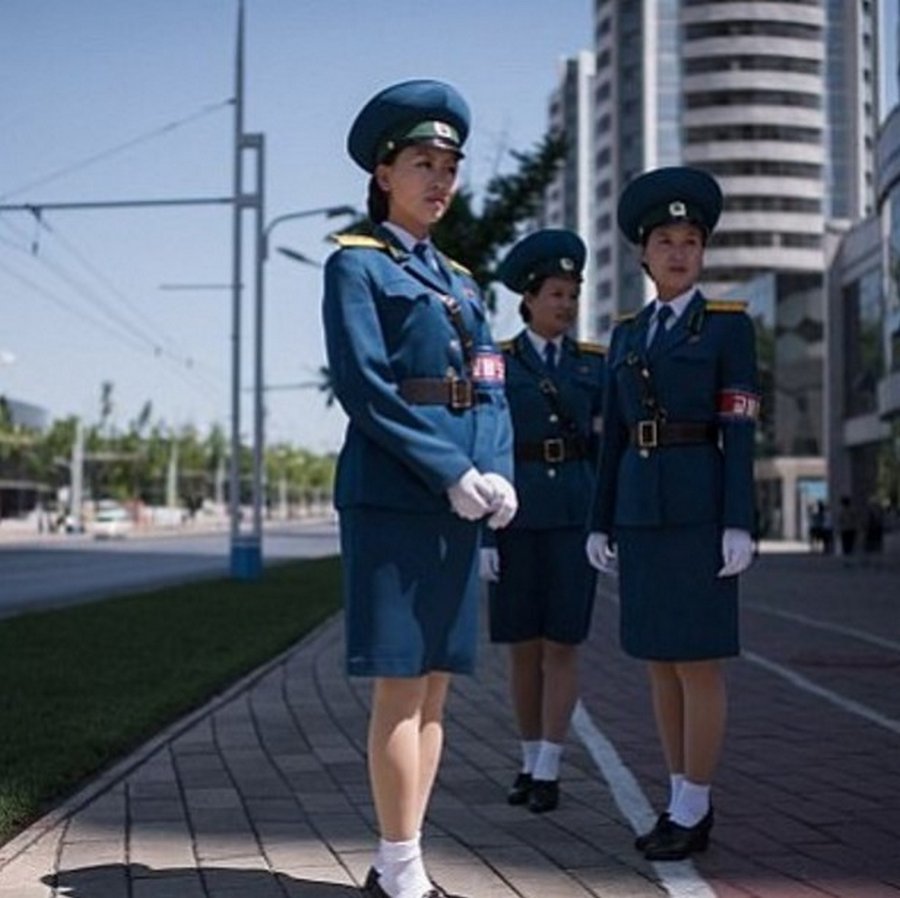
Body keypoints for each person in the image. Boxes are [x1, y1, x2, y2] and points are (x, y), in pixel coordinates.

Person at [321, 79, 518, 898]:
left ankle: (398, 860)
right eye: (421, 163)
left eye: (449, 166)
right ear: (383, 174)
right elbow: (366, 389)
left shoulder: (465, 283)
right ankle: (400, 869)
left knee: (436, 691)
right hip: (397, 497)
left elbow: (492, 385)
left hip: (460, 499)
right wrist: (451, 471)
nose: (439, 180)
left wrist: (498, 467)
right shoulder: (355, 265)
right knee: (402, 688)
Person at [585, 166, 760, 862]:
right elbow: (612, 438)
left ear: (703, 252)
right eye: (666, 240)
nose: (680, 252)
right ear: (642, 253)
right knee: (658, 661)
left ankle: (696, 805)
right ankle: (677, 795)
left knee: (699, 664)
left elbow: (741, 424)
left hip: (698, 505)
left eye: (692, 240)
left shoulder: (728, 328)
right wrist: (600, 519)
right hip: (638, 509)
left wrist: (739, 520)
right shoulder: (625, 337)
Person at [479, 229, 605, 814]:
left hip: (573, 517)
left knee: (563, 645)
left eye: (572, 294)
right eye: (556, 293)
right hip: (515, 516)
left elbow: (611, 447)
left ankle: (551, 768)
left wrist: (606, 523)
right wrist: (484, 532)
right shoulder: (498, 364)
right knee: (521, 649)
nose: (566, 304)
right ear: (527, 300)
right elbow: (486, 443)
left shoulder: (594, 366)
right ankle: (528, 760)